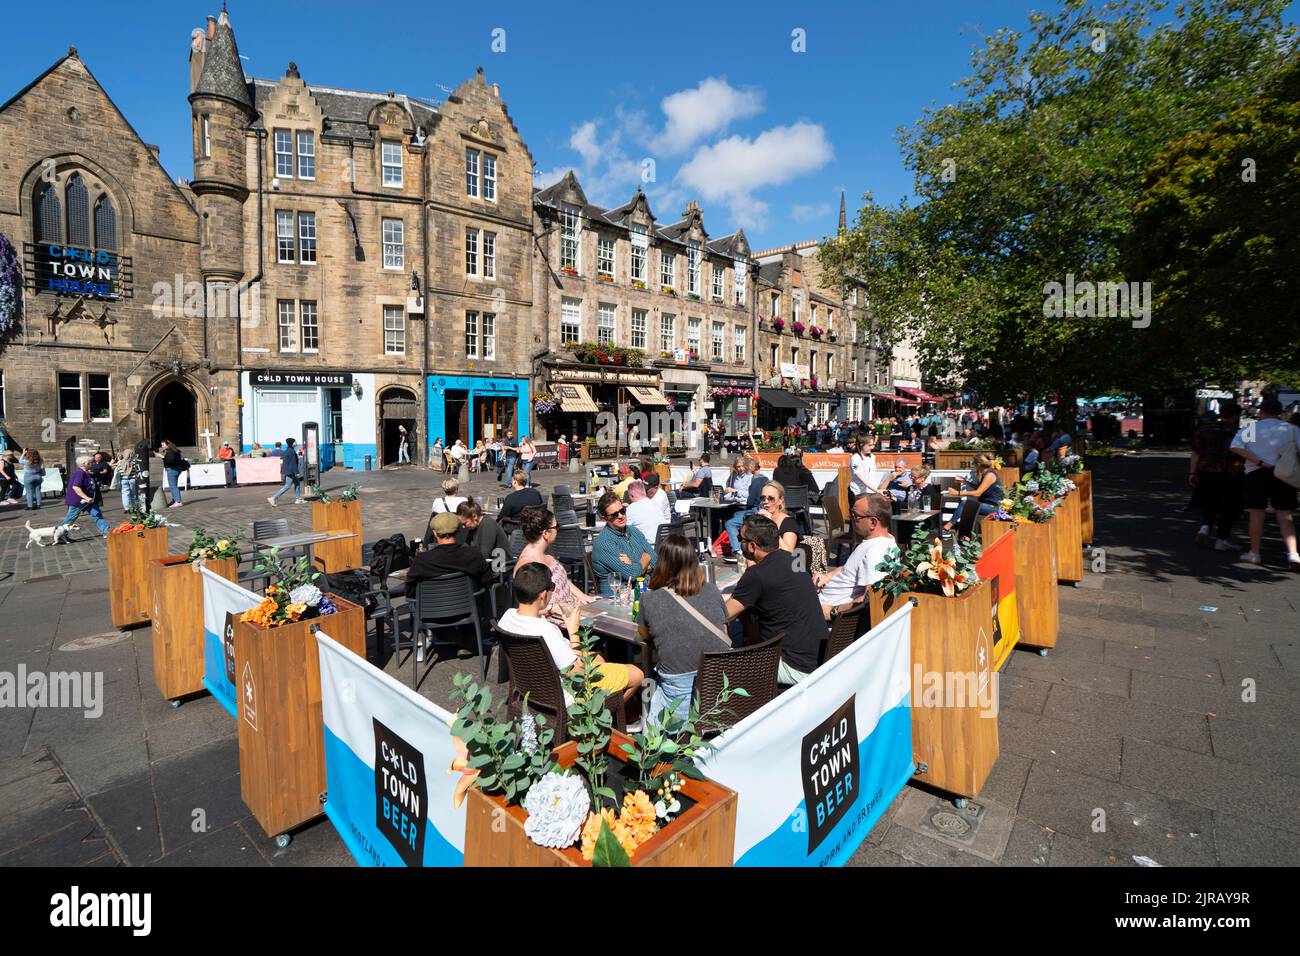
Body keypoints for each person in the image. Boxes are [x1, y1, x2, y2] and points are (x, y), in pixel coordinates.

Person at [498, 562, 642, 707]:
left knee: (600, 657)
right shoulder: (546, 631)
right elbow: (577, 673)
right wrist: (573, 630)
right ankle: (601, 715)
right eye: (552, 588)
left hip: (536, 689)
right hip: (569, 696)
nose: (552, 591)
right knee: (638, 674)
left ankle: (615, 707)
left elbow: (528, 613)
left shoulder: (506, 618)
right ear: (543, 595)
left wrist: (548, 610)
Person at [638, 534, 730, 725]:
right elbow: (725, 634)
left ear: (661, 563)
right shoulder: (712, 590)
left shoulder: (649, 599)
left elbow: (644, 635)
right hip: (721, 685)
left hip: (679, 694)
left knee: (644, 664)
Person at [724, 514, 826, 685]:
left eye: (740, 539)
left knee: (721, 668)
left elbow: (724, 616)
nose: (739, 543)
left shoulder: (756, 575)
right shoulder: (795, 561)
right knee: (748, 613)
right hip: (820, 656)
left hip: (797, 668)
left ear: (752, 546)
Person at [1230, 396, 1300, 569]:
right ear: (1280, 412)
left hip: (1256, 472)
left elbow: (1235, 446)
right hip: (1284, 474)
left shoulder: (1252, 428)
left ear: (1261, 411)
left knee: (1256, 513)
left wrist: (1259, 461)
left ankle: (1254, 553)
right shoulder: (1291, 429)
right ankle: (1293, 553)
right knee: (1285, 514)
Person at [814, 494, 897, 619]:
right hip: (821, 599)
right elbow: (848, 568)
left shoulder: (876, 552)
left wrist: (831, 611)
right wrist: (827, 576)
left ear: (873, 522)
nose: (851, 518)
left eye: (856, 516)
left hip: (825, 614)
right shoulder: (884, 540)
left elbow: (868, 600)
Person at [514, 506, 594, 610]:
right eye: (556, 527)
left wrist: (584, 597)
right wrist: (552, 610)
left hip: (574, 608)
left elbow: (563, 580)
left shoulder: (546, 551)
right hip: (559, 619)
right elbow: (527, 609)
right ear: (546, 533)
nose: (557, 530)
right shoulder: (528, 564)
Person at [1189, 402, 1244, 550]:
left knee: (1211, 501)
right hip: (1232, 472)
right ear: (1236, 416)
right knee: (1229, 506)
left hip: (1207, 470)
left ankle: (1205, 527)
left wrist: (1192, 472)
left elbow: (1196, 452)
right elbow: (1248, 453)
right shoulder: (1242, 432)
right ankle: (1222, 540)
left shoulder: (1205, 429)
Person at [591, 490, 655, 596]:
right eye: (615, 514)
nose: (621, 516)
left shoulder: (633, 531)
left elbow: (655, 561)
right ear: (605, 518)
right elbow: (631, 574)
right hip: (617, 597)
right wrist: (646, 558)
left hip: (644, 590)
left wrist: (634, 563)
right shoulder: (604, 543)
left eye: (622, 510)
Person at [408, 512, 495, 588]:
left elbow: (409, 590)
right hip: (469, 604)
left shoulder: (422, 560)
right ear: (457, 530)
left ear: (435, 533)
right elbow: (487, 582)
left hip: (432, 605)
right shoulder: (474, 554)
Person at [945, 453, 1004, 531]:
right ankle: (965, 535)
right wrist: (965, 482)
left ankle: (949, 525)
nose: (973, 465)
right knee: (968, 507)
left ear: (978, 464)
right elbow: (980, 488)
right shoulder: (985, 474)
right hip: (986, 505)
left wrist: (958, 493)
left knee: (966, 504)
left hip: (994, 507)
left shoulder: (990, 475)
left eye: (973, 463)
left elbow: (978, 492)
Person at [722, 457, 764, 562]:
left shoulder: (750, 478)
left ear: (745, 466)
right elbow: (733, 493)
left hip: (747, 507)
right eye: (738, 466)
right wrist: (727, 495)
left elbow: (748, 495)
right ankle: (736, 547)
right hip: (736, 505)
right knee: (721, 515)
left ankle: (737, 551)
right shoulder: (735, 477)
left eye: (741, 466)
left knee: (730, 523)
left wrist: (735, 491)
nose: (740, 468)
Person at [63, 455, 110, 538]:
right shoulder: (79, 473)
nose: (93, 464)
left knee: (97, 514)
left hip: (88, 501)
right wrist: (86, 497)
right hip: (78, 501)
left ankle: (106, 531)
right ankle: (61, 534)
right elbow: (76, 487)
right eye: (91, 462)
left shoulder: (86, 472)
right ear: (85, 463)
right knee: (70, 518)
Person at [455, 500, 509, 564]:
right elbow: (466, 546)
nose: (463, 527)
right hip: (487, 564)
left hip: (501, 567)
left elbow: (483, 554)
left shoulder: (488, 524)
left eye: (464, 523)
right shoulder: (473, 526)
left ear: (474, 516)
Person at [755, 480, 799, 552]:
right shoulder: (759, 518)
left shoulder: (788, 522)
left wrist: (770, 527)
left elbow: (789, 552)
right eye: (763, 498)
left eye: (771, 498)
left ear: (780, 500)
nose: (766, 501)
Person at [625, 480, 666, 545]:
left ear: (632, 496)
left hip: (647, 549)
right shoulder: (655, 504)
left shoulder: (631, 508)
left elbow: (621, 529)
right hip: (662, 546)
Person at [268, 436, 303, 506]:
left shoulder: (288, 450)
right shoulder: (291, 451)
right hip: (290, 471)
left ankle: (298, 499)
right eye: (295, 441)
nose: (296, 442)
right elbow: (293, 463)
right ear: (292, 443)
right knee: (287, 486)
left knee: (297, 483)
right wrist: (296, 472)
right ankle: (274, 498)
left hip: (289, 471)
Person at [159, 440, 186, 508]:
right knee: (173, 485)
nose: (162, 446)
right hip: (176, 469)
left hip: (172, 470)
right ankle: (174, 500)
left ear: (168, 445)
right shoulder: (174, 450)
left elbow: (170, 461)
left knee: (173, 486)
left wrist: (162, 457)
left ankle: (178, 501)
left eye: (163, 445)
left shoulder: (170, 451)